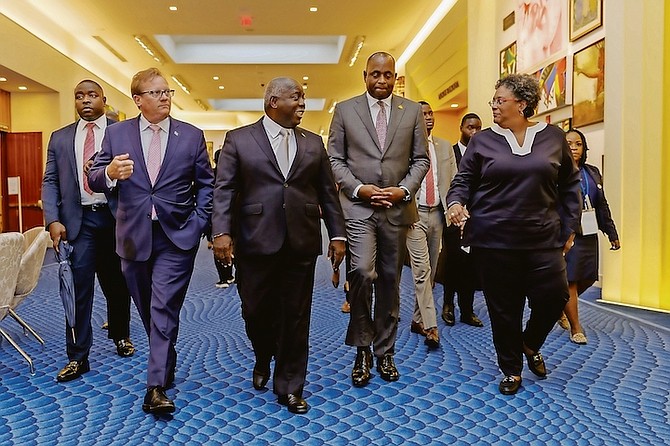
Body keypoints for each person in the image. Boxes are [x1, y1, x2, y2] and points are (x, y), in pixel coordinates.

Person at [213, 77, 346, 414]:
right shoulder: (239, 140)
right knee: (255, 311)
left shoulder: (314, 143)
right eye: (296, 97)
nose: (302, 103)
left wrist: (338, 234)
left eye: (303, 97)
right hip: (255, 239)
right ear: (273, 101)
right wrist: (221, 233)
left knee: (296, 316)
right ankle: (262, 355)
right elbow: (225, 189)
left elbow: (328, 194)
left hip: (300, 240)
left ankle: (289, 385)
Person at [446, 73, 581, 395]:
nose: (493, 106)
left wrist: (569, 226)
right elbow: (463, 181)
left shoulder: (552, 137)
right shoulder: (482, 141)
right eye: (493, 100)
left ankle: (530, 344)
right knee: (504, 307)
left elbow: (570, 185)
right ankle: (511, 368)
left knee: (554, 296)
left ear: (521, 104)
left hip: (543, 237)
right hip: (494, 239)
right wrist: (455, 203)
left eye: (499, 100)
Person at [88, 68, 213, 414]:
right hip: (133, 236)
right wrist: (109, 173)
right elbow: (96, 176)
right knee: (148, 308)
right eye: (156, 93)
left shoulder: (191, 135)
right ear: (138, 100)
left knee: (162, 306)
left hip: (177, 236)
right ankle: (165, 356)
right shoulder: (116, 134)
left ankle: (154, 387)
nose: (164, 98)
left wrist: (201, 220)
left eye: (167, 92)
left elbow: (206, 184)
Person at [328, 51, 430, 387]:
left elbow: (420, 160)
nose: (381, 81)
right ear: (365, 75)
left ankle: (385, 352)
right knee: (361, 272)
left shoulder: (412, 111)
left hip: (398, 209)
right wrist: (359, 189)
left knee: (389, 279)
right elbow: (335, 160)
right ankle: (362, 349)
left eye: (388, 75)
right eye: (375, 75)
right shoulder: (345, 110)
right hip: (359, 208)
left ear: (394, 76)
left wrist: (404, 189)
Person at [42, 79, 135, 383]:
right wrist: (53, 219)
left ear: (103, 100)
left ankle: (121, 334)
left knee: (118, 285)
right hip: (78, 223)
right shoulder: (60, 138)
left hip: (114, 219)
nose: (85, 100)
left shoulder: (122, 133)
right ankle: (78, 356)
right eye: (79, 96)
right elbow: (51, 181)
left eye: (92, 95)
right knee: (79, 290)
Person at [405, 101, 457, 349]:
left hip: (438, 213)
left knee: (432, 272)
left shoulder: (445, 147)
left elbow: (455, 182)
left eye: (430, 113)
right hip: (414, 215)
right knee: (421, 269)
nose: (428, 118)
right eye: (422, 114)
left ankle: (417, 318)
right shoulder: (404, 147)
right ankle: (430, 325)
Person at [562, 128, 620, 345]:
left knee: (587, 277)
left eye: (578, 144)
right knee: (570, 281)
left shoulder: (592, 172)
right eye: (569, 144)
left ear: (584, 147)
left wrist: (611, 231)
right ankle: (576, 327)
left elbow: (601, 204)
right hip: (567, 233)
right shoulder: (556, 171)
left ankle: (561, 305)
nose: (574, 148)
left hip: (588, 232)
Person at [436, 113, 484, 327]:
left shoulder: (484, 154)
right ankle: (448, 305)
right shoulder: (450, 152)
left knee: (471, 265)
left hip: (476, 218)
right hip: (453, 216)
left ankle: (467, 310)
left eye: (477, 128)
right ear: (461, 128)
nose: (474, 132)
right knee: (453, 262)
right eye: (470, 128)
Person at [210, 148, 235, 289]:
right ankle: (233, 275)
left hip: (216, 216)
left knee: (219, 245)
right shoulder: (237, 172)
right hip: (236, 215)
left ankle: (225, 277)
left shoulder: (212, 174)